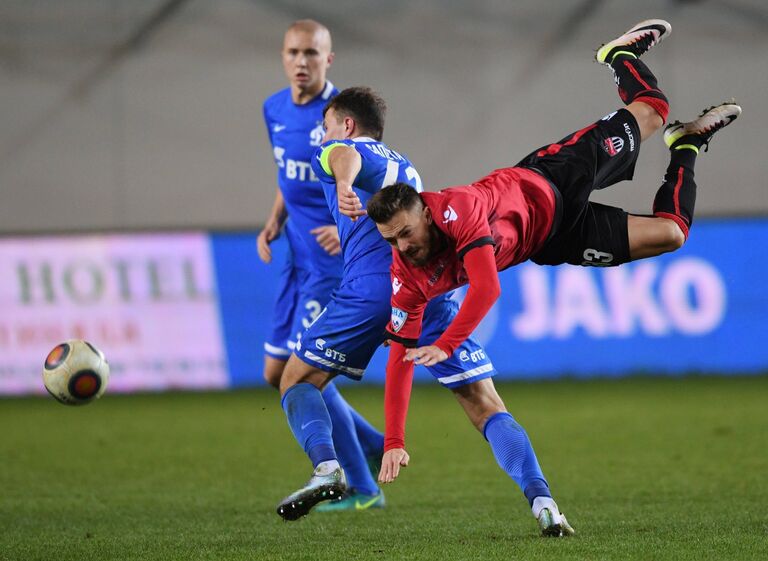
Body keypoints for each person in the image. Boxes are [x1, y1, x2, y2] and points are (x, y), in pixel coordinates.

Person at [363, 19, 741, 487]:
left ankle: (619, 56)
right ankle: (686, 147)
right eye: (391, 241)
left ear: (423, 211)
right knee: (670, 235)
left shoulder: (456, 210)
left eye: (405, 233)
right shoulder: (408, 273)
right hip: (552, 238)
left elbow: (486, 287)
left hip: (554, 177)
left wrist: (445, 345)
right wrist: (395, 439)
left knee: (653, 109)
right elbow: (399, 357)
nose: (402, 247)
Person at [275, 87, 574, 537]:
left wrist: (340, 184)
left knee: (295, 379)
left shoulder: (341, 149)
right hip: (431, 288)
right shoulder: (403, 164)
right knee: (484, 404)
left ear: (348, 126)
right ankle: (543, 501)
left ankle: (327, 467)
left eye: (329, 125)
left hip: (376, 292)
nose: (324, 132)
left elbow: (344, 159)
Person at [260, 19, 386, 511]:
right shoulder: (273, 108)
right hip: (294, 254)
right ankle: (372, 445)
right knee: (277, 373)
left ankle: (361, 486)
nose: (301, 62)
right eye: (293, 52)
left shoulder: (339, 119)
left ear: (327, 59)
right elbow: (285, 173)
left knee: (309, 370)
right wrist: (273, 218)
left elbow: (372, 175)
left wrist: (347, 222)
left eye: (311, 53)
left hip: (331, 262)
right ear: (283, 55)